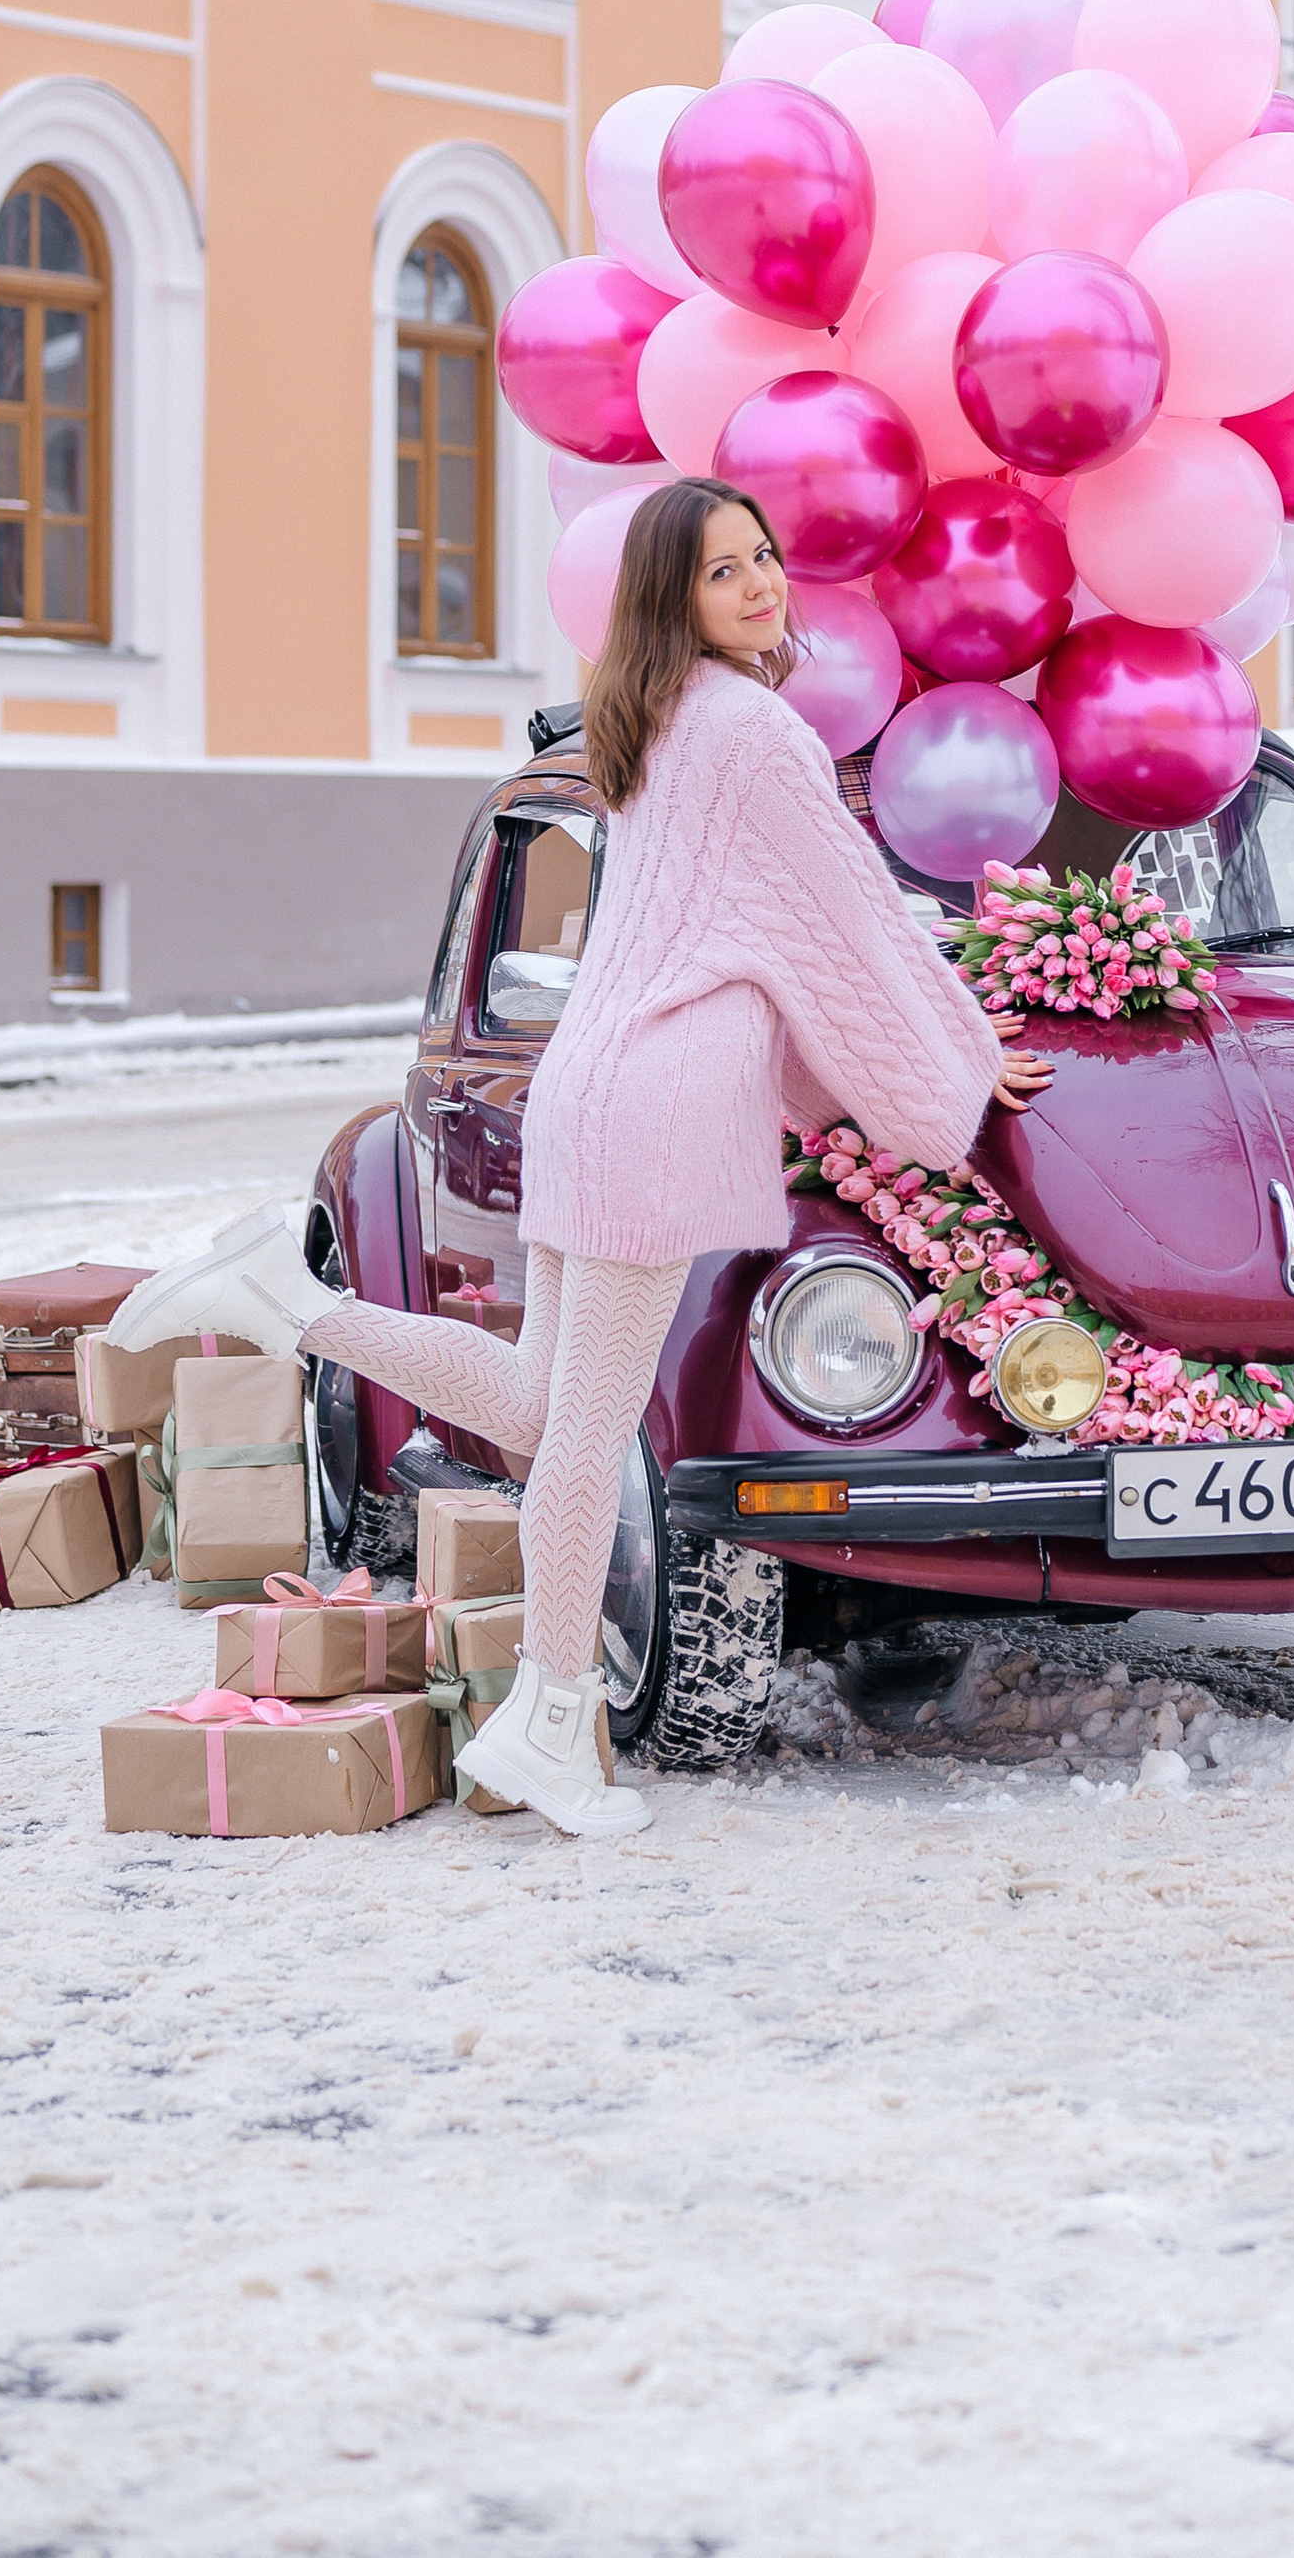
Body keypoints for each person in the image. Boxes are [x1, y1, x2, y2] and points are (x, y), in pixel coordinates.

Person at [108, 477, 1051, 1841]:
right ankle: (554, 1718)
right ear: (672, 599)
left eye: (766, 558)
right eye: (725, 572)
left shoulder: (656, 721)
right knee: (585, 1432)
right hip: (655, 1105)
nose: (764, 585)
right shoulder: (755, 731)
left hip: (592, 1092)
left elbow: (768, 935)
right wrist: (962, 1059)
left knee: (551, 1409)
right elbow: (857, 920)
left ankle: (293, 1305)